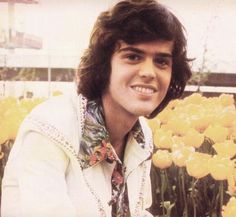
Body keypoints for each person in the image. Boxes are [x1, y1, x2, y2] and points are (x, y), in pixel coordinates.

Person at [1, 0, 192, 216]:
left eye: (161, 61)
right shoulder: (50, 130)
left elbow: (138, 211)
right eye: (133, 56)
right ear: (105, 64)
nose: (149, 72)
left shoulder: (142, 136)